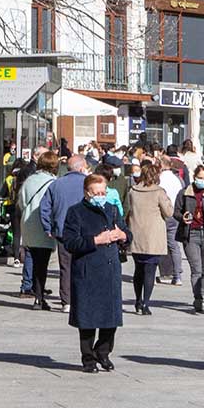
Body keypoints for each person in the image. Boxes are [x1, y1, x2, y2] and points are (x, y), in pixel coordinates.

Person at [62, 174, 131, 373]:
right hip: (87, 271)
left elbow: (127, 231)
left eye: (103, 192)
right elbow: (70, 242)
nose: (101, 196)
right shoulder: (76, 212)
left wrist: (123, 235)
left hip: (110, 270)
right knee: (88, 319)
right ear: (87, 193)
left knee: (111, 317)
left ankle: (103, 351)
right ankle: (88, 359)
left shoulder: (112, 209)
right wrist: (96, 240)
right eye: (97, 193)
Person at [40, 154, 89, 313]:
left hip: (62, 233)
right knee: (84, 266)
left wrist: (48, 228)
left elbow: (44, 208)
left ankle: (66, 301)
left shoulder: (56, 184)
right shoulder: (88, 184)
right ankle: (82, 298)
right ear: (82, 168)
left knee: (65, 268)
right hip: (85, 233)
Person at [126, 163, 174, 315]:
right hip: (153, 237)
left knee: (138, 269)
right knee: (150, 271)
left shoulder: (133, 191)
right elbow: (168, 212)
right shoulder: (159, 192)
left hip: (136, 234)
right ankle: (146, 303)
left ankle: (138, 300)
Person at [174, 165, 204, 313]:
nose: (202, 181)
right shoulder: (184, 193)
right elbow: (176, 212)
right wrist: (183, 218)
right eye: (200, 178)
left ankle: (201, 295)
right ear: (194, 177)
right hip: (191, 233)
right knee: (196, 269)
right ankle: (198, 298)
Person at [19, 151, 60, 311]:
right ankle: (39, 297)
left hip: (28, 224)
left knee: (34, 260)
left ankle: (36, 292)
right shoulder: (53, 182)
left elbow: (22, 201)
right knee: (42, 264)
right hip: (44, 226)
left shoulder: (29, 180)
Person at [157, 157, 185, 285]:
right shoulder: (177, 180)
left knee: (160, 245)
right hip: (174, 214)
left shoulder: (160, 179)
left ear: (161, 165)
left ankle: (163, 273)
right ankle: (177, 275)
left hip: (162, 214)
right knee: (173, 245)